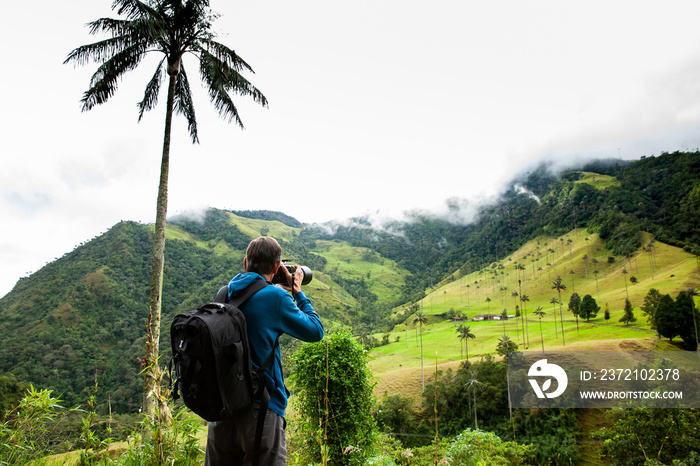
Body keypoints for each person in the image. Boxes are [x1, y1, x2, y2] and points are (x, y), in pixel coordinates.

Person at [205, 236, 324, 466]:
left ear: (245, 263)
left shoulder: (223, 294)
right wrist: (297, 292)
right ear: (277, 267)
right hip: (261, 410)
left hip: (222, 410)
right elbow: (315, 331)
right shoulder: (276, 297)